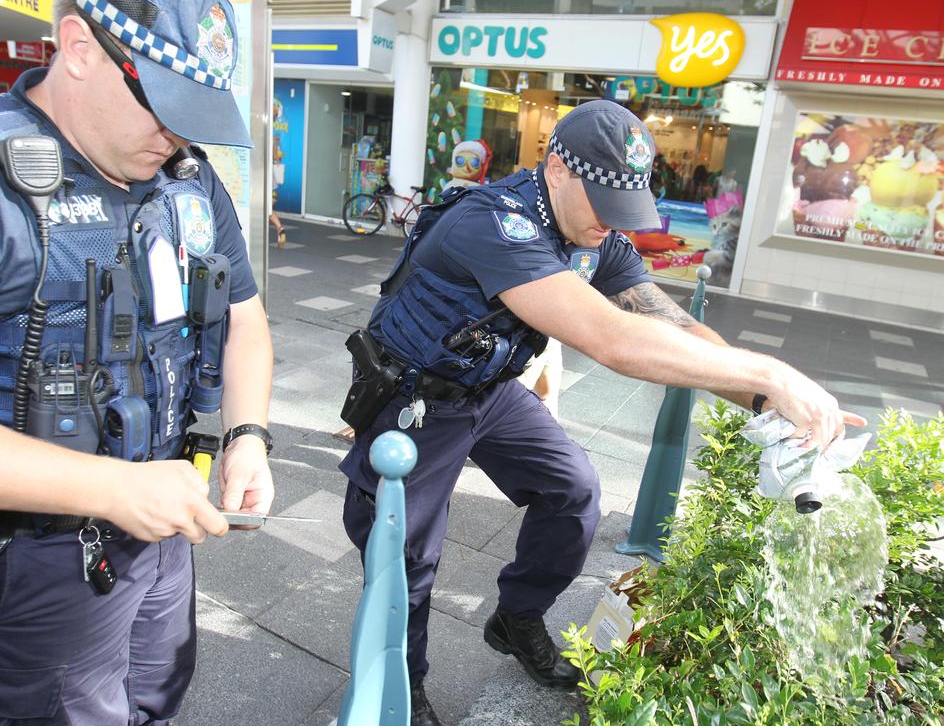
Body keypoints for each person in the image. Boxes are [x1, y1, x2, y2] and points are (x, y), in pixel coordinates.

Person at [337, 99, 864, 726]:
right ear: (557, 168)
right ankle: (404, 685)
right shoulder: (494, 224)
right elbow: (612, 339)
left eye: (625, 210)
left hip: (492, 388)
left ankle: (518, 617)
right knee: (405, 556)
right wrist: (770, 372)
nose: (612, 226)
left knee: (573, 490)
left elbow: (668, 322)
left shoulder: (594, 234)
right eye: (605, 206)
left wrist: (766, 401)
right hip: (420, 398)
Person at [0, 0, 275, 723]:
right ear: (79, 48)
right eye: (161, 103)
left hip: (162, 523)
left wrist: (248, 435)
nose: (177, 132)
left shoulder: (187, 176)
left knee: (154, 698)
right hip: (30, 562)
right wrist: (109, 490)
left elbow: (244, 318)